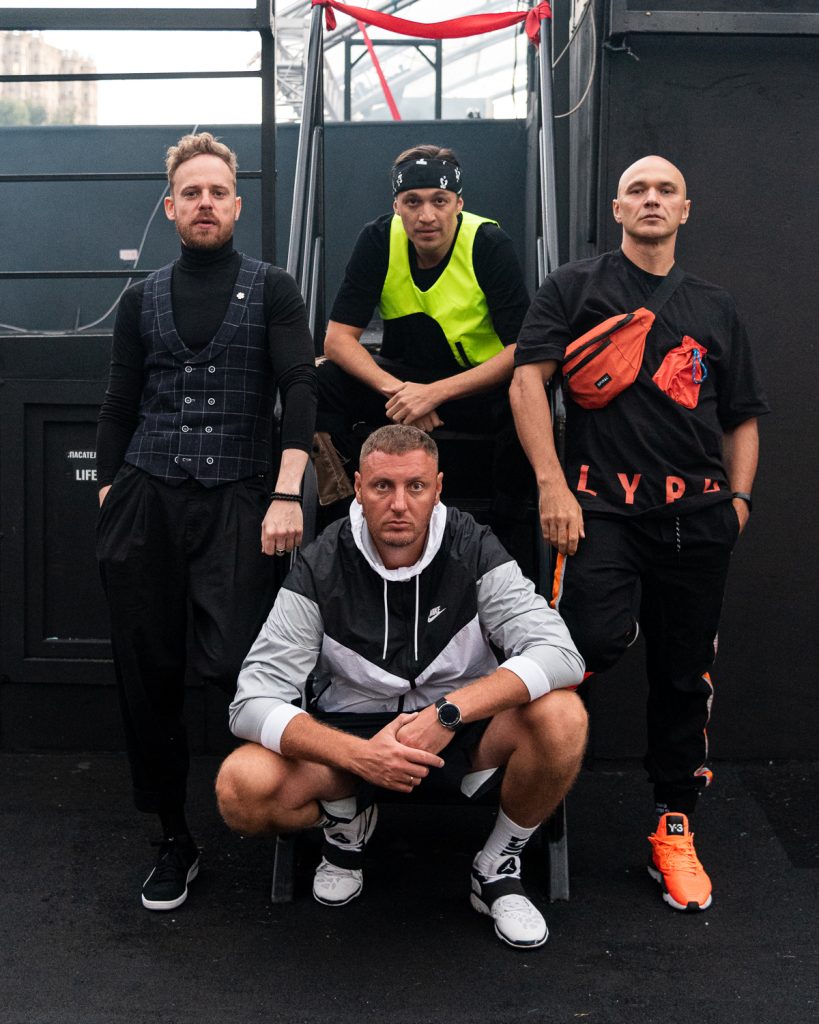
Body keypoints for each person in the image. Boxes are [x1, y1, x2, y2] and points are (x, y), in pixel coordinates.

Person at [510, 155, 769, 912]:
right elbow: (527, 380)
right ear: (617, 209)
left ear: (684, 210)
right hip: (602, 512)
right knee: (583, 643)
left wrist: (739, 502)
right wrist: (552, 484)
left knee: (685, 675)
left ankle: (672, 825)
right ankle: (527, 782)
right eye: (637, 190)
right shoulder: (574, 287)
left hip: (699, 518)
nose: (651, 199)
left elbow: (741, 416)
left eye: (665, 191)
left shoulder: (715, 306)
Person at [216, 425, 587, 949]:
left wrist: (449, 713)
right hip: (351, 742)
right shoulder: (322, 563)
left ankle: (497, 866)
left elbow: (562, 654)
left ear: (438, 489)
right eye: (382, 486)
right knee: (240, 788)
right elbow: (251, 702)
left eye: (415, 487)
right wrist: (360, 756)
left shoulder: (473, 546)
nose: (398, 504)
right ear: (358, 487)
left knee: (563, 715)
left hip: (461, 733)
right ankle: (345, 827)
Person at [95, 132, 317, 911]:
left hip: (238, 499)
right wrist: (111, 492)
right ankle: (172, 838)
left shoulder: (273, 287)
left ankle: (290, 805)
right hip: (146, 499)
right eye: (190, 192)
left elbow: (299, 386)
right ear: (171, 206)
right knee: (146, 673)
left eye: (217, 192)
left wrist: (286, 493)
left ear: (236, 204)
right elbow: (119, 401)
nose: (204, 203)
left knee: (240, 666)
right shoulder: (142, 297)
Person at [315, 143, 531, 536]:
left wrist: (434, 394)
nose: (426, 215)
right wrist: (402, 393)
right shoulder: (378, 239)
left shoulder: (488, 243)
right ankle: (342, 523)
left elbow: (521, 349)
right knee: (319, 379)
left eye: (439, 200)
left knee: (527, 392)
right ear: (397, 206)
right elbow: (337, 340)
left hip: (476, 390)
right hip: (402, 388)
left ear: (458, 204)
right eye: (412, 201)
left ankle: (509, 533)